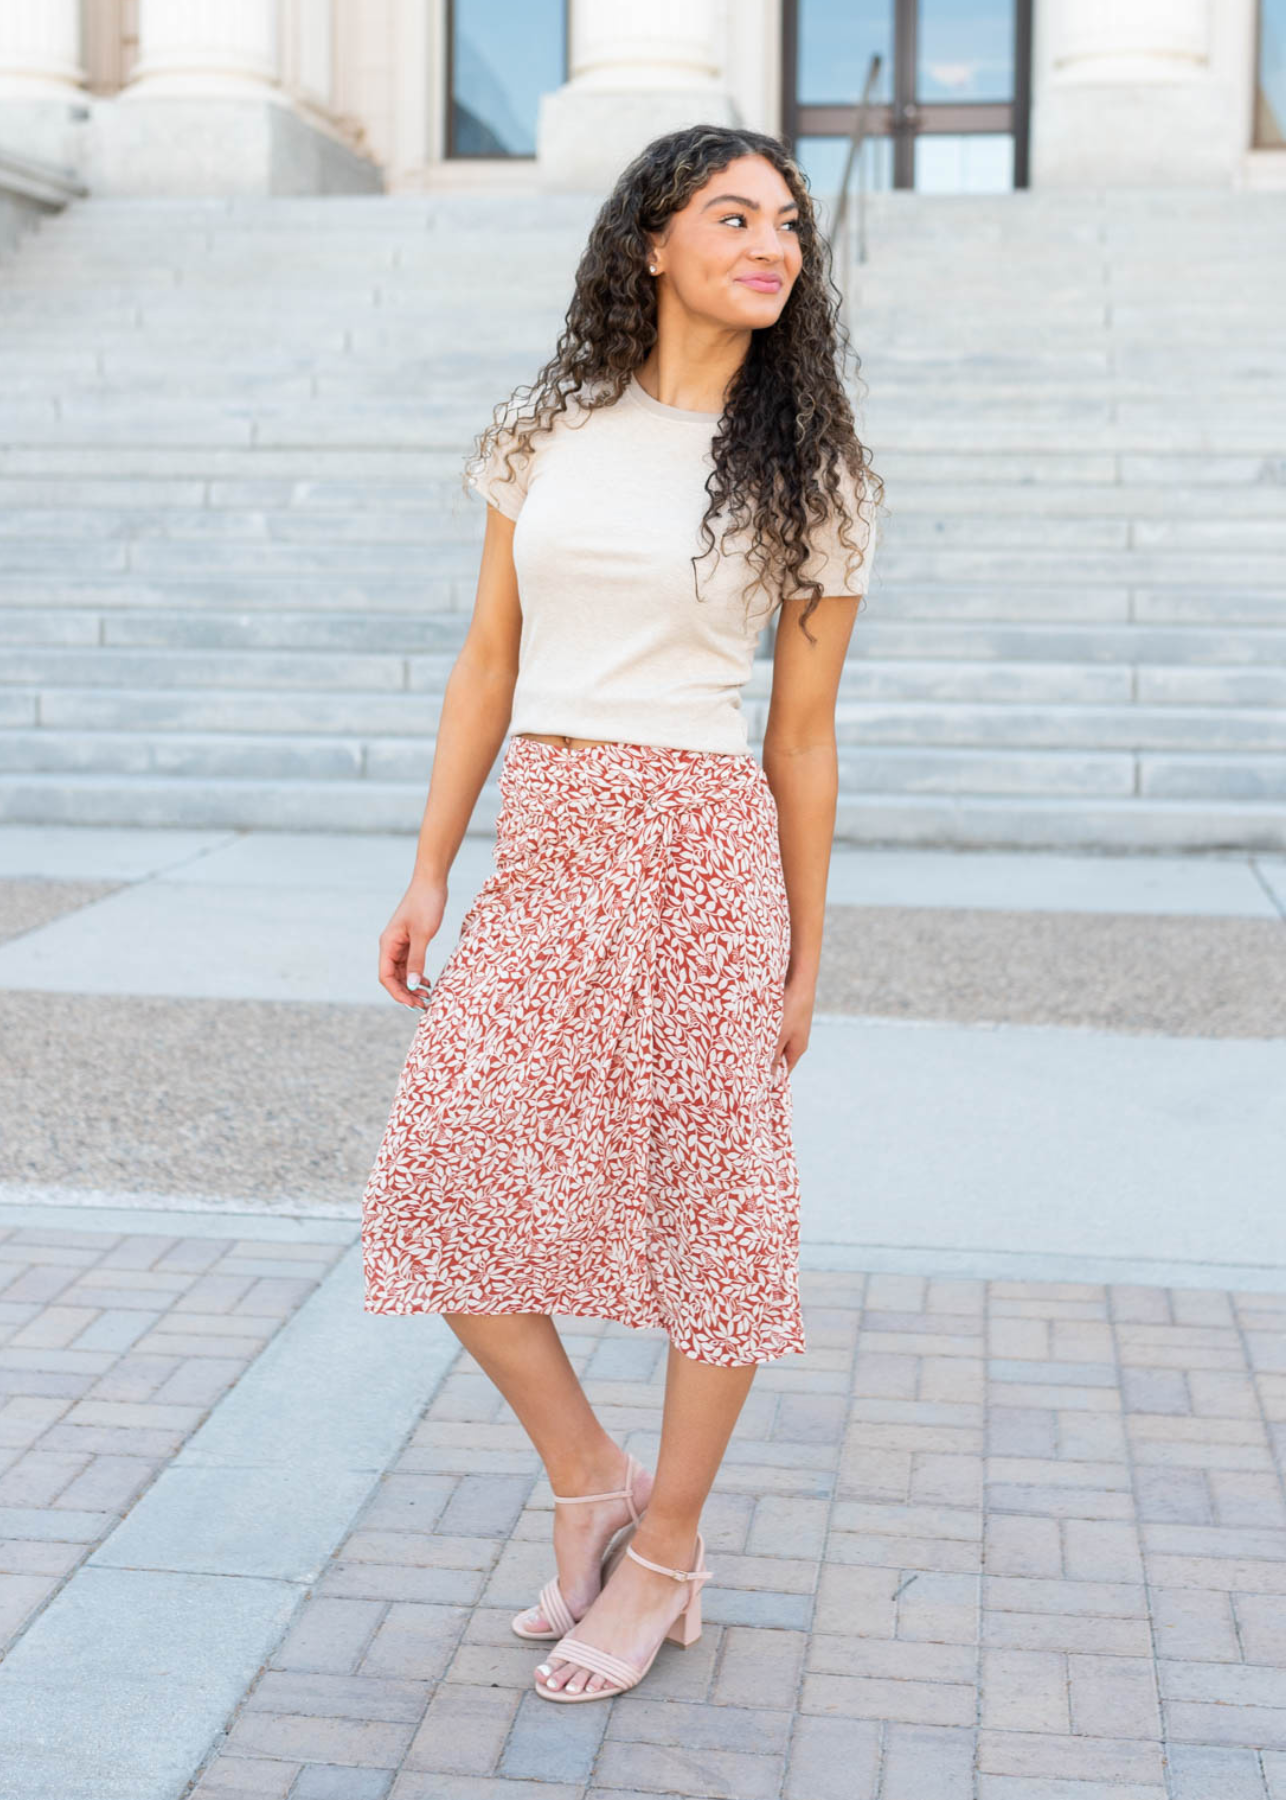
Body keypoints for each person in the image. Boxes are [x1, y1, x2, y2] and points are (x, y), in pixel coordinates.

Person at [361, 122, 883, 1704]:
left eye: (786, 225)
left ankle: (663, 1552)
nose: (771, 245)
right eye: (734, 217)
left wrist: (804, 952)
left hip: (701, 843)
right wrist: (432, 862)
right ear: (650, 242)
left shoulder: (816, 475)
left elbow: (800, 735)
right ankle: (591, 1475)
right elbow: (485, 661)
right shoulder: (548, 430)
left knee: (713, 1207)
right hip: (552, 836)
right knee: (439, 1176)